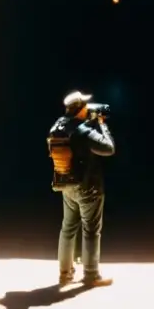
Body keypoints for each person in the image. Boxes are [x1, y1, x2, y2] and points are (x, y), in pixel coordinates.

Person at [48, 90, 115, 288]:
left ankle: (65, 274)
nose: (88, 107)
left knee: (67, 229)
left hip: (66, 183)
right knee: (91, 230)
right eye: (85, 105)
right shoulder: (84, 130)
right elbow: (109, 148)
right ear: (79, 109)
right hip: (87, 186)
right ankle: (91, 275)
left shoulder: (59, 124)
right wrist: (102, 125)